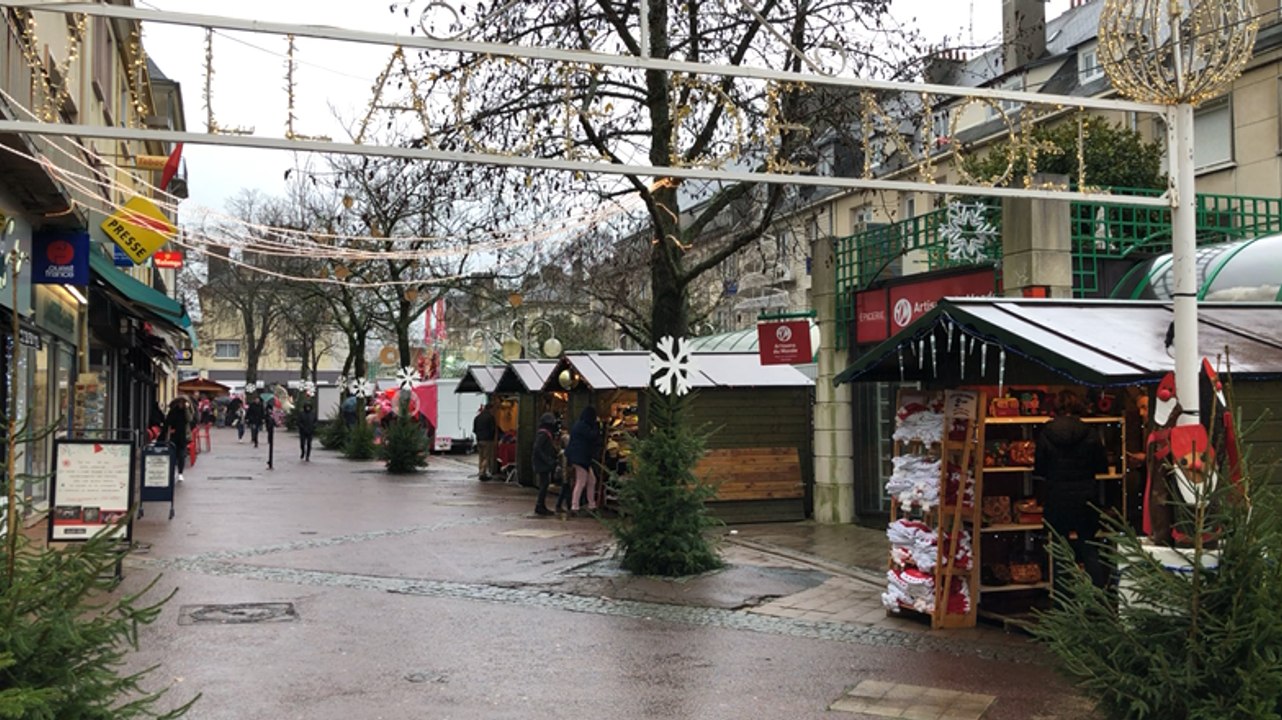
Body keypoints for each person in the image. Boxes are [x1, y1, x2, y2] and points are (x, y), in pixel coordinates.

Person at [1035, 389, 1110, 589]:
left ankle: (1062, 602)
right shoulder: (1090, 433)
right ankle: (1098, 597)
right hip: (1085, 495)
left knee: (1060, 549)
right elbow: (1101, 465)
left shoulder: (1046, 433)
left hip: (1057, 495)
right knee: (1089, 547)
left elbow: (1040, 468)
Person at [564, 406, 602, 516]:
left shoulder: (579, 425)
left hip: (580, 458)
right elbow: (592, 436)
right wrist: (597, 426)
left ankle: (591, 504)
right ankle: (575, 506)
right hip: (582, 458)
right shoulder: (584, 427)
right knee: (581, 481)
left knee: (591, 480)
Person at [531, 413, 559, 516]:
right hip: (542, 463)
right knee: (544, 484)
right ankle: (540, 505)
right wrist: (547, 460)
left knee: (545, 484)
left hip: (542, 462)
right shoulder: (543, 434)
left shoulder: (543, 433)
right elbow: (537, 448)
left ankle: (541, 505)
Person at [163, 397, 191, 483]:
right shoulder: (173, 411)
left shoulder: (186, 412)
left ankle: (180, 473)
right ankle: (172, 472)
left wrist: (186, 409)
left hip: (183, 436)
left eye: (183, 403)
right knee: (172, 454)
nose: (181, 404)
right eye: (180, 402)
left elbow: (189, 419)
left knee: (181, 455)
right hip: (174, 435)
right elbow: (168, 422)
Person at [473, 402, 498, 481]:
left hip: (479, 440)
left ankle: (481, 471)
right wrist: (494, 439)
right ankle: (482, 472)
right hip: (488, 440)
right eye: (493, 409)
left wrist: (479, 436)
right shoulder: (491, 417)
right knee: (487, 457)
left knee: (481, 457)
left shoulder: (477, 417)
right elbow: (493, 429)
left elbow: (474, 430)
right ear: (490, 409)